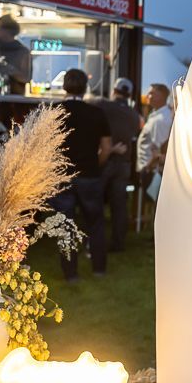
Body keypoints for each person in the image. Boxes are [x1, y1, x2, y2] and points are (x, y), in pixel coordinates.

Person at [51, 68, 116, 282]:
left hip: (62, 177)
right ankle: (99, 269)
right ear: (86, 88)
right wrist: (96, 165)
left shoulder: (53, 112)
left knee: (65, 226)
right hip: (90, 175)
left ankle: (71, 274)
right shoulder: (97, 113)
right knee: (95, 223)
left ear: (64, 86)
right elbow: (106, 147)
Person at [96, 77, 141, 252]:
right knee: (119, 205)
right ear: (129, 94)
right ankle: (118, 243)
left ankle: (93, 242)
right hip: (124, 164)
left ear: (114, 90)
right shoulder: (134, 115)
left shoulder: (103, 105)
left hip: (106, 159)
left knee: (96, 202)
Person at [0, 14, 32, 95]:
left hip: (12, 98)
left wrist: (2, 65)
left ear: (7, 31)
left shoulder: (23, 51)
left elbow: (25, 78)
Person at [136, 84, 174, 178]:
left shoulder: (161, 119)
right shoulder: (156, 115)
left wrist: (147, 168)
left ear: (161, 96)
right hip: (150, 170)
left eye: (151, 93)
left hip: (153, 173)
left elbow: (160, 153)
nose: (148, 96)